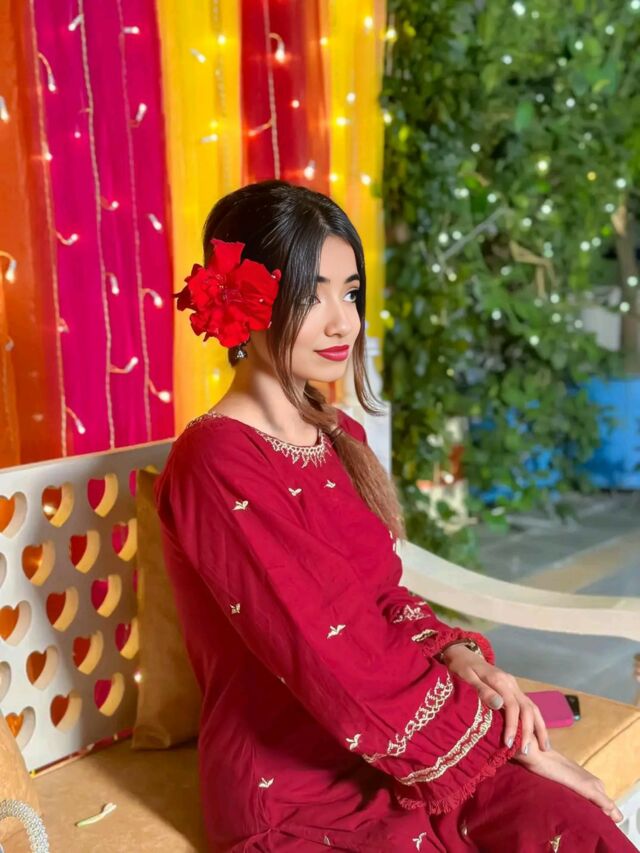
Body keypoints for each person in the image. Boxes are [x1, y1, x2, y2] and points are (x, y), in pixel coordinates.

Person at [154, 180, 634, 852]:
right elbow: (332, 653)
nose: (342, 322)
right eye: (310, 294)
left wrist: (459, 655)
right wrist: (502, 744)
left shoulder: (336, 433)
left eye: (350, 292)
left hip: (409, 741)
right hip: (297, 789)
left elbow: (379, 596)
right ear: (244, 302)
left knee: (582, 832)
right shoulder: (216, 460)